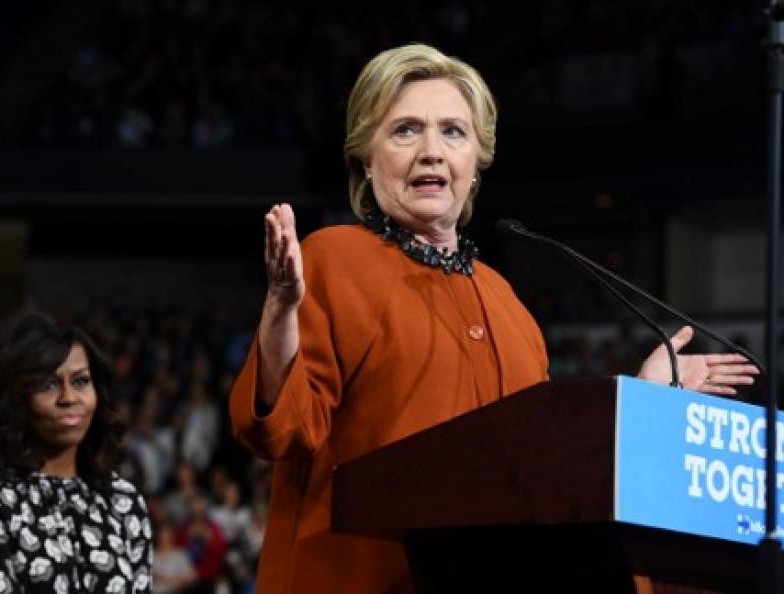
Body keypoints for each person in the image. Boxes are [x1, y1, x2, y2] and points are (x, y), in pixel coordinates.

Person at [228, 44, 759, 594]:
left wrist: (639, 402)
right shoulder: (334, 258)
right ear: (367, 156)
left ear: (477, 161)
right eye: (406, 130)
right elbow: (282, 428)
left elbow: (543, 465)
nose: (431, 151)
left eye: (452, 132)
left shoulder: (505, 301)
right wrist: (280, 314)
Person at [0, 313, 153, 593]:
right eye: (48, 385)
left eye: (80, 381)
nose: (69, 398)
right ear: (14, 398)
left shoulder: (123, 500)